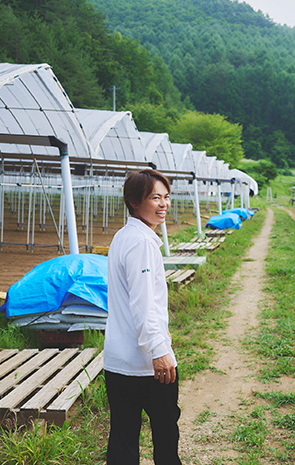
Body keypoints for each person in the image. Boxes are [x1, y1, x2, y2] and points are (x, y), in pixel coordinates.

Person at [104, 169, 181, 464]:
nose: (163, 205)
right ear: (134, 202)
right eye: (154, 198)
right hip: (147, 364)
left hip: (118, 361)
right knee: (164, 436)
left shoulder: (124, 236)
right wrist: (159, 351)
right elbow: (144, 303)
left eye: (166, 197)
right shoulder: (142, 242)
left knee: (123, 438)